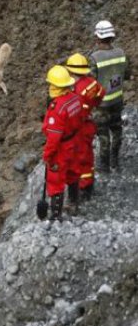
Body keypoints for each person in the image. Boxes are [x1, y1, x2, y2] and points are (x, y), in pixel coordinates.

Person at [42, 65, 83, 221]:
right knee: (73, 173)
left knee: (55, 180)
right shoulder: (75, 98)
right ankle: (73, 204)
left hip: (62, 148)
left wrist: (48, 155)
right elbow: (80, 120)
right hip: (74, 142)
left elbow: (53, 139)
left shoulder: (56, 108)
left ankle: (56, 216)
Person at [89, 20, 130, 172]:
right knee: (117, 129)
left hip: (101, 104)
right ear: (112, 37)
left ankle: (104, 165)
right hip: (117, 100)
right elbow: (127, 74)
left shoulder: (94, 58)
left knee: (103, 134)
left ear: (98, 37)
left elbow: (90, 83)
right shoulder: (121, 54)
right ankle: (115, 161)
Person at [65, 53, 105, 201]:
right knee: (88, 155)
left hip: (80, 128)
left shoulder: (76, 91)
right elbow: (101, 94)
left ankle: (84, 188)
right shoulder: (92, 83)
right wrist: (92, 106)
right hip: (88, 124)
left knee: (81, 158)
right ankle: (87, 184)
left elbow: (74, 115)